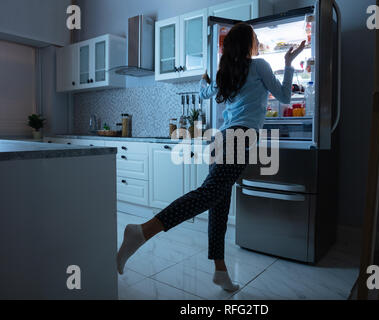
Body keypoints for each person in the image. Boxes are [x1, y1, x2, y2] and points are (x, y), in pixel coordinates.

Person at [117, 22, 305, 292]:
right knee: (208, 195)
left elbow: (204, 91)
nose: (257, 41)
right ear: (248, 43)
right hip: (239, 138)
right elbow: (285, 96)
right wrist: (288, 63)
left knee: (219, 202)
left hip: (223, 139)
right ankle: (142, 231)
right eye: (255, 37)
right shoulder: (260, 65)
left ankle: (220, 270)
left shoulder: (225, 73)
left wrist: (204, 78)